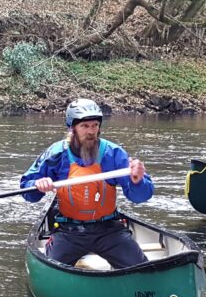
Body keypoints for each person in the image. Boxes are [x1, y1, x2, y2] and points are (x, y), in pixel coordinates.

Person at [21, 98, 154, 268]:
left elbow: (141, 197)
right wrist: (38, 186)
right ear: (72, 128)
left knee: (142, 268)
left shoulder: (113, 154)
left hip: (109, 230)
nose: (91, 132)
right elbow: (27, 190)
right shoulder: (56, 154)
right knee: (51, 267)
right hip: (69, 231)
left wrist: (138, 181)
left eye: (94, 126)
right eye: (85, 126)